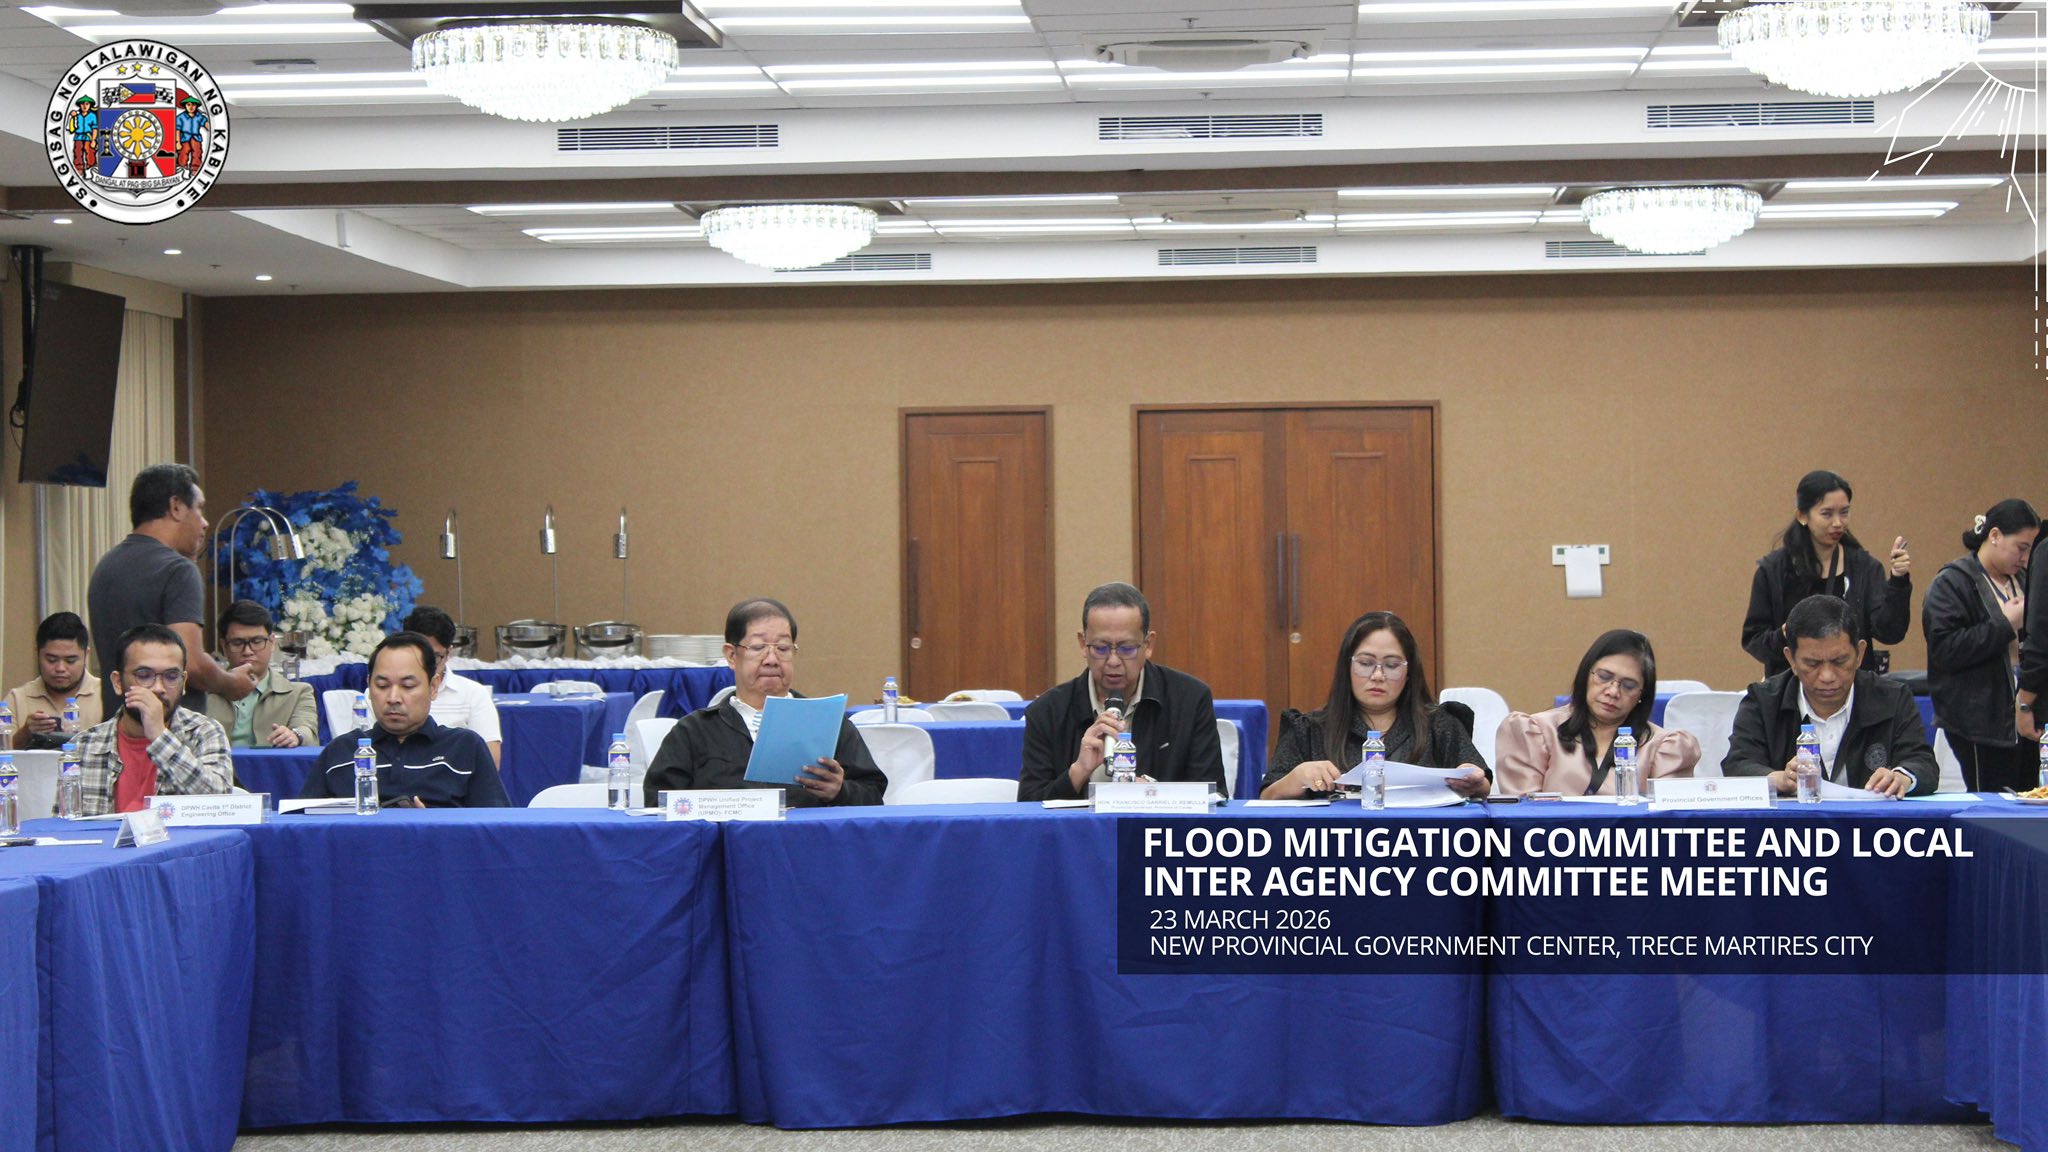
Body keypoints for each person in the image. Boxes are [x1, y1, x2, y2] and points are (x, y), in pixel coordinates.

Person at [642, 598, 884, 807]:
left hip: (806, 843)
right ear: (731, 655)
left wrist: (840, 791)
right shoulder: (694, 731)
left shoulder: (827, 723)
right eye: (758, 647)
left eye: (783, 648)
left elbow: (874, 798)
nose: (772, 659)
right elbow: (658, 805)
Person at [1019, 582, 1226, 802]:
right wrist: (1077, 772)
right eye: (1100, 648)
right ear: (1082, 643)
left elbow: (1214, 795)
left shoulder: (1190, 700)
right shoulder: (1047, 712)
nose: (1113, 661)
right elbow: (1028, 808)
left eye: (1127, 649)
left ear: (1148, 645)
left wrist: (1152, 793)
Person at [86, 463, 259, 714]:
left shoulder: (105, 566)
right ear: (176, 506)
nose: (205, 522)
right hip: (168, 727)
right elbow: (192, 665)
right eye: (199, 508)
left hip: (120, 725)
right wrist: (231, 682)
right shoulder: (177, 570)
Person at [1261, 611, 1489, 799]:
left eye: (1391, 665)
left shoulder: (1440, 724)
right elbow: (1266, 797)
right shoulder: (1308, 729)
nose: (1378, 676)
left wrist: (1473, 780)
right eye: (1365, 663)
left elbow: (1482, 784)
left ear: (1409, 673)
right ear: (1347, 668)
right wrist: (1297, 777)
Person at [1724, 595, 1934, 797]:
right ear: (1791, 659)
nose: (1827, 676)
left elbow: (1922, 763)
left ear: (1860, 654)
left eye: (1840, 661)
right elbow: (1737, 764)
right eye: (1812, 664)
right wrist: (1775, 779)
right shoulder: (1762, 701)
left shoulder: (1893, 698)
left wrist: (1902, 777)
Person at [299, 633, 508, 808]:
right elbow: (303, 829)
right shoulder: (341, 752)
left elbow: (496, 831)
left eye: (408, 686)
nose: (393, 698)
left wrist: (434, 826)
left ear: (433, 687)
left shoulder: (464, 748)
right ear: (369, 686)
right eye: (382, 686)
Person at [1741, 469, 1911, 678]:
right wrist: (1786, 634)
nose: (1838, 523)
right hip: (1790, 687)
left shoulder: (1865, 567)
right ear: (1802, 516)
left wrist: (1898, 581)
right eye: (1827, 514)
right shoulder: (1773, 571)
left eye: (1844, 512)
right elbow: (1754, 640)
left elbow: (1890, 633)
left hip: (1851, 687)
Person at [1495, 629, 1701, 797]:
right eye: (1604, 677)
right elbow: (1522, 818)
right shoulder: (1536, 731)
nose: (1613, 691)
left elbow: (1668, 821)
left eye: (1629, 685)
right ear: (1586, 675)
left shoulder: (1664, 747)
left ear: (1642, 694)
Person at [1925, 499, 2039, 792]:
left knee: (2032, 798)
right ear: (1995, 535)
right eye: (2021, 548)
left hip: (2026, 713)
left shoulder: (2024, 579)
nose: (2025, 558)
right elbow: (1945, 651)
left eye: (2031, 550)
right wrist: (2005, 623)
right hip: (1978, 722)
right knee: (1992, 802)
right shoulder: (1952, 582)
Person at [74, 624, 233, 816]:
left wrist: (160, 736)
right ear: (117, 682)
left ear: (183, 682)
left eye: (171, 676)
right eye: (144, 675)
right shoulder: (84, 745)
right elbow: (62, 824)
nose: (158, 688)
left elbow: (221, 805)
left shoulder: (204, 731)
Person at [202, 600, 318, 749]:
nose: (247, 651)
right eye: (237, 643)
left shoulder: (298, 693)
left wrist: (295, 735)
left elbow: (307, 730)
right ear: (224, 646)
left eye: (256, 641)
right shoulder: (205, 693)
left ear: (272, 642)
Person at [402, 605, 502, 765]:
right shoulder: (384, 694)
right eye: (417, 655)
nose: (424, 664)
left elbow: (490, 762)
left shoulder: (473, 694)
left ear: (449, 652)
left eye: (434, 657)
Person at [6, 612, 104, 751]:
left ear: (86, 655)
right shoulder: (17, 699)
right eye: (51, 660)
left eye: (70, 661)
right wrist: (25, 734)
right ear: (37, 653)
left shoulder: (105, 695)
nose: (60, 668)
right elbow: (4, 754)